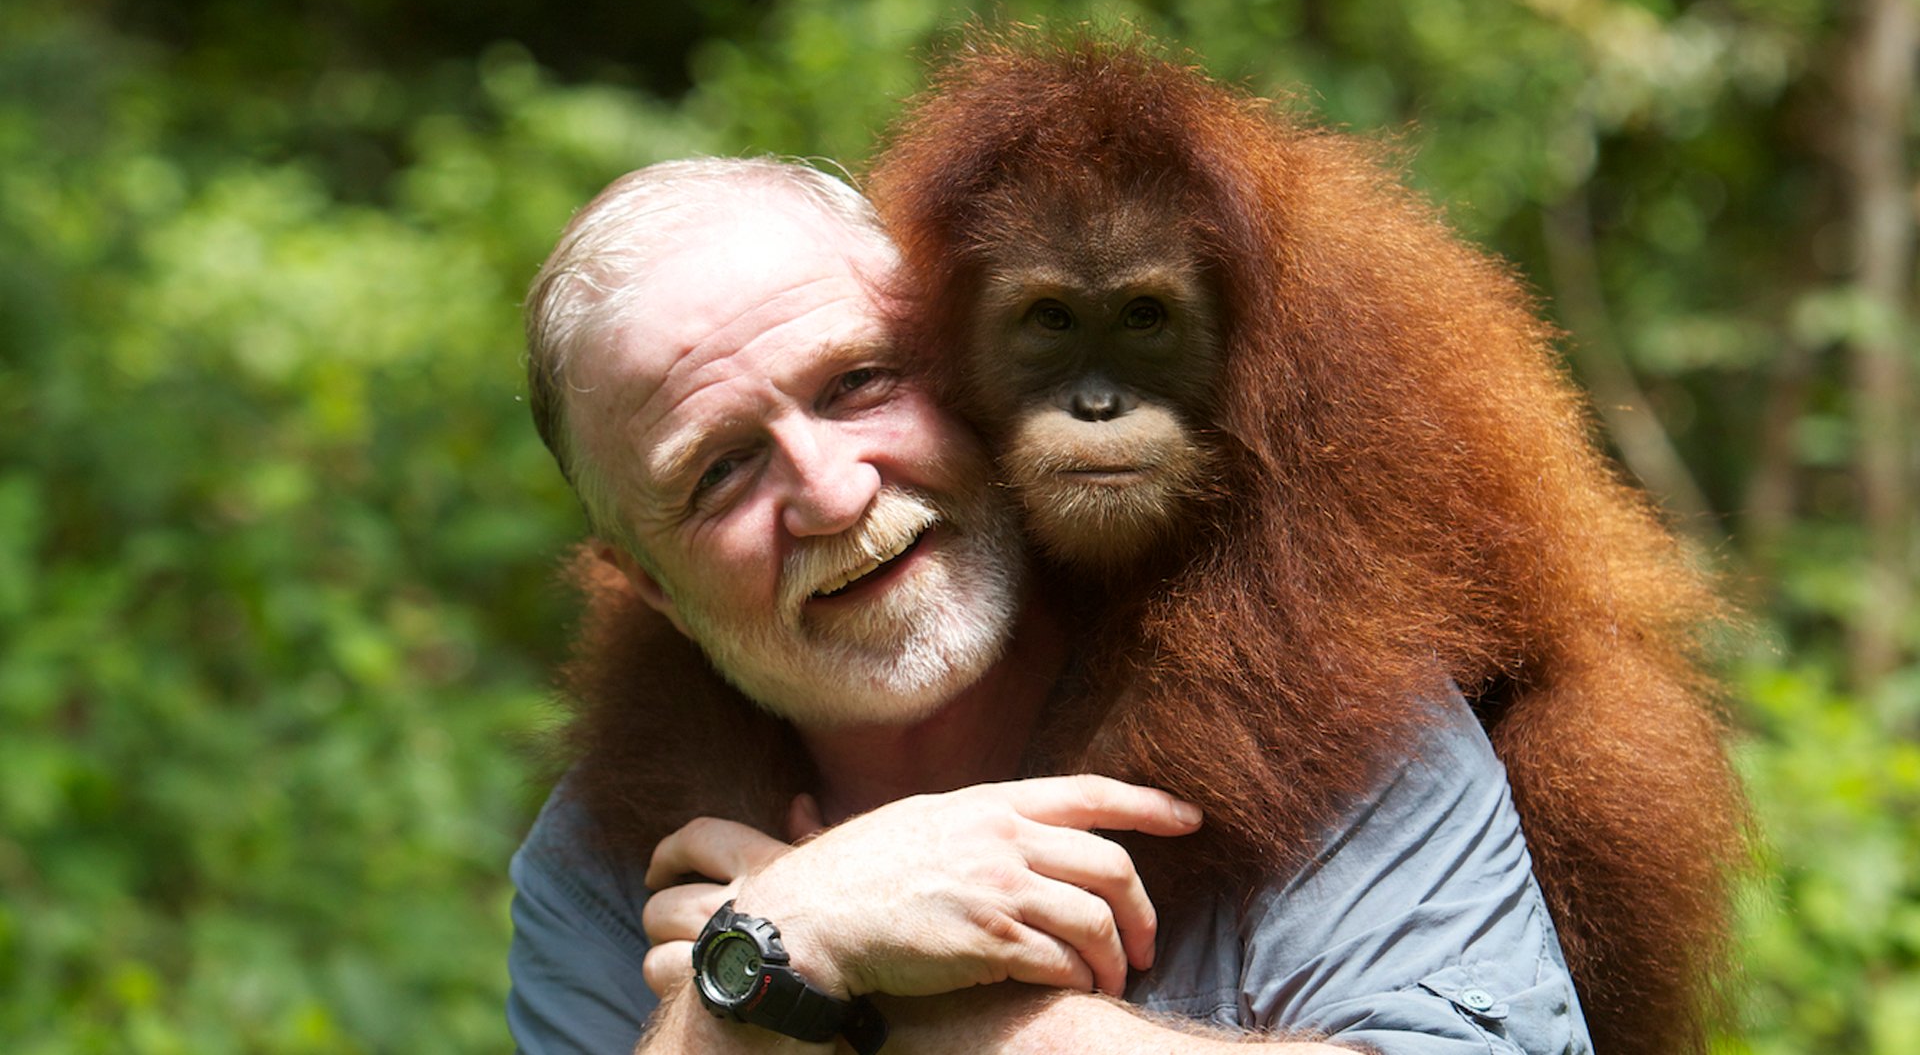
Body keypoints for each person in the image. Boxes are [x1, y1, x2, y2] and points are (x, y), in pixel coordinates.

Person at [508, 156, 1592, 1054]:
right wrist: (784, 938)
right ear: (651, 582)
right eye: (720, 474)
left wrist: (896, 998)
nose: (835, 495)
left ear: (973, 369)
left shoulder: (1316, 677)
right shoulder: (602, 862)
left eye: (860, 383)